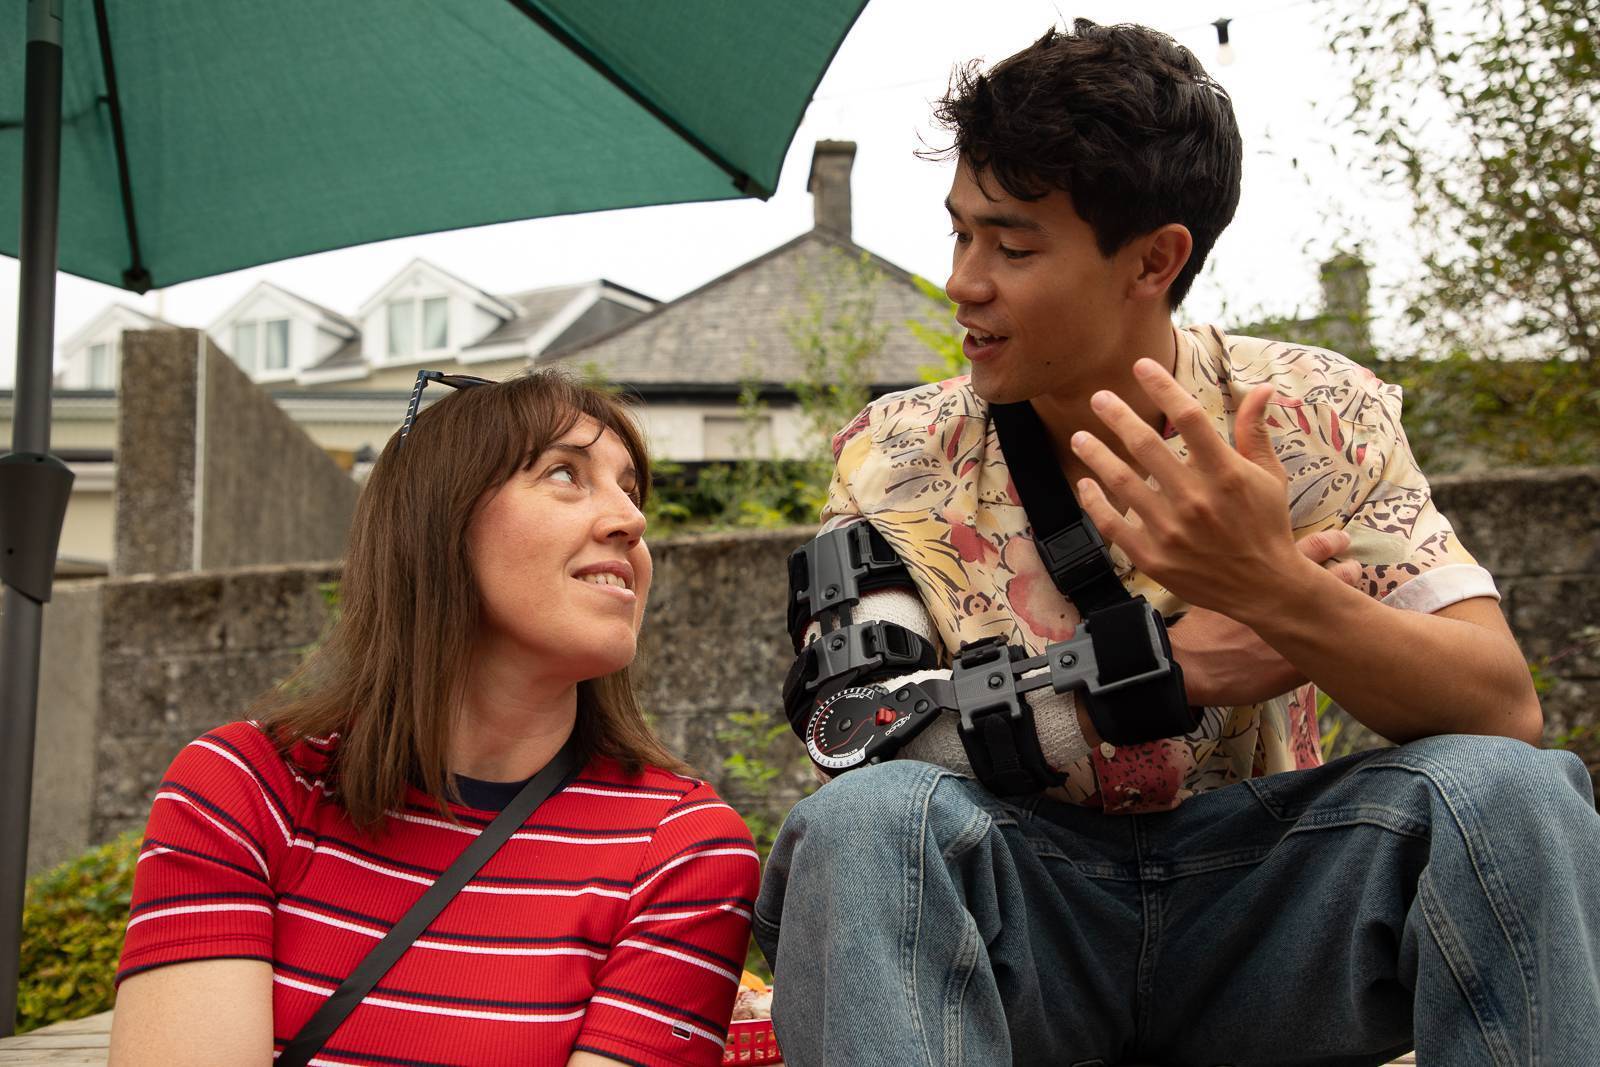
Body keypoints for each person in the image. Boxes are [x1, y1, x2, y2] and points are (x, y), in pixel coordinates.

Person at [757, 20, 1600, 1067]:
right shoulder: (896, 451)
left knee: (1513, 795)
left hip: (1272, 920)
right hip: (1027, 924)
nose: (963, 281)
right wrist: (1163, 669)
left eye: (1012, 247)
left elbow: (1501, 711)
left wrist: (1281, 593)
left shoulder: (1313, 411)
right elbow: (849, 727)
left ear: (1154, 259)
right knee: (867, 822)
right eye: (960, 233)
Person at [109, 370, 760, 1066]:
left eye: (630, 491)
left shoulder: (685, 853)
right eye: (564, 473)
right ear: (438, 522)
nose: (631, 521)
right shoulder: (246, 790)